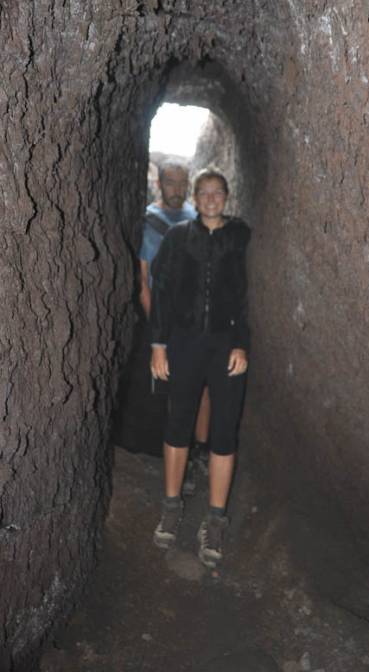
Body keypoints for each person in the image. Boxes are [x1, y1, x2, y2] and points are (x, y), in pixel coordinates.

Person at [150, 167, 250, 567]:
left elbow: (248, 295)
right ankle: (171, 506)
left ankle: (215, 520)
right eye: (203, 192)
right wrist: (158, 345)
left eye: (217, 192)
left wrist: (242, 342)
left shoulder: (241, 238)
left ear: (226, 196)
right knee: (178, 424)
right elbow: (161, 292)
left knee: (225, 430)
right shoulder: (177, 238)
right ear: (194, 198)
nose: (210, 198)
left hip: (226, 347)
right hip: (185, 343)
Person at [140, 161, 211, 482]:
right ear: (159, 182)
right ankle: (173, 453)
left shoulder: (196, 219)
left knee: (204, 385)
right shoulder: (149, 221)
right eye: (171, 182)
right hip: (164, 319)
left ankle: (199, 450)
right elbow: (143, 280)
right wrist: (158, 325)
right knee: (171, 389)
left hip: (194, 321)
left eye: (183, 184)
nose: (177, 190)